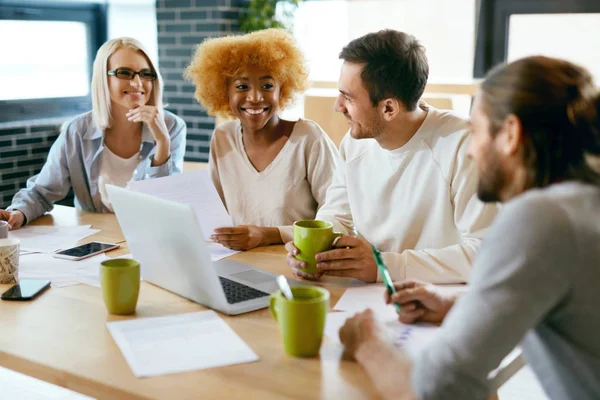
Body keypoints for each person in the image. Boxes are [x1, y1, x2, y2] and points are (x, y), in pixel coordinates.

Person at [339, 56, 600, 400]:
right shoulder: (581, 205)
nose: (471, 152)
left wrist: (368, 343)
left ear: (509, 135)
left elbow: (438, 389)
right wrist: (458, 305)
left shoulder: (541, 219)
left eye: (476, 132)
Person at [285, 30, 497, 283]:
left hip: (439, 302)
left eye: (348, 97)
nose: (338, 106)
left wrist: (385, 266)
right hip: (368, 293)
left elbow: (486, 252)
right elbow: (337, 214)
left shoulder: (464, 145)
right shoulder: (353, 144)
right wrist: (311, 248)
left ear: (388, 108)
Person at [0, 37, 186, 229]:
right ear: (102, 79)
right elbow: (42, 191)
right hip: (95, 237)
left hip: (151, 233)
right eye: (124, 72)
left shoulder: (171, 126)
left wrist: (163, 143)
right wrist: (19, 212)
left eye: (146, 74)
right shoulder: (78, 130)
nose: (138, 82)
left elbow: (166, 203)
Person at [185, 29, 340, 251]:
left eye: (267, 86)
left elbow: (338, 219)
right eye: (242, 86)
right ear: (224, 91)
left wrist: (267, 235)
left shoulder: (308, 138)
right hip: (239, 262)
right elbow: (215, 215)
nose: (255, 97)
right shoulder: (222, 138)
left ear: (282, 89)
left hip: (296, 262)